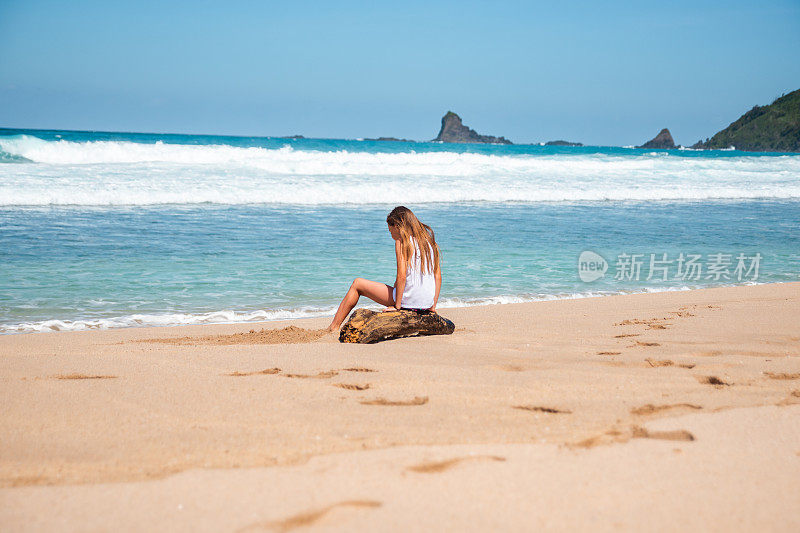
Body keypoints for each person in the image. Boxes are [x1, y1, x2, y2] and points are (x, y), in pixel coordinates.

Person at [327, 206, 442, 332]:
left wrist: (397, 306)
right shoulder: (430, 243)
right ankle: (420, 304)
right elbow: (437, 277)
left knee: (357, 284)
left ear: (398, 226)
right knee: (395, 286)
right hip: (427, 304)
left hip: (408, 303)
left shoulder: (402, 242)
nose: (391, 234)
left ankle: (334, 327)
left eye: (390, 230)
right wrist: (432, 306)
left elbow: (402, 276)